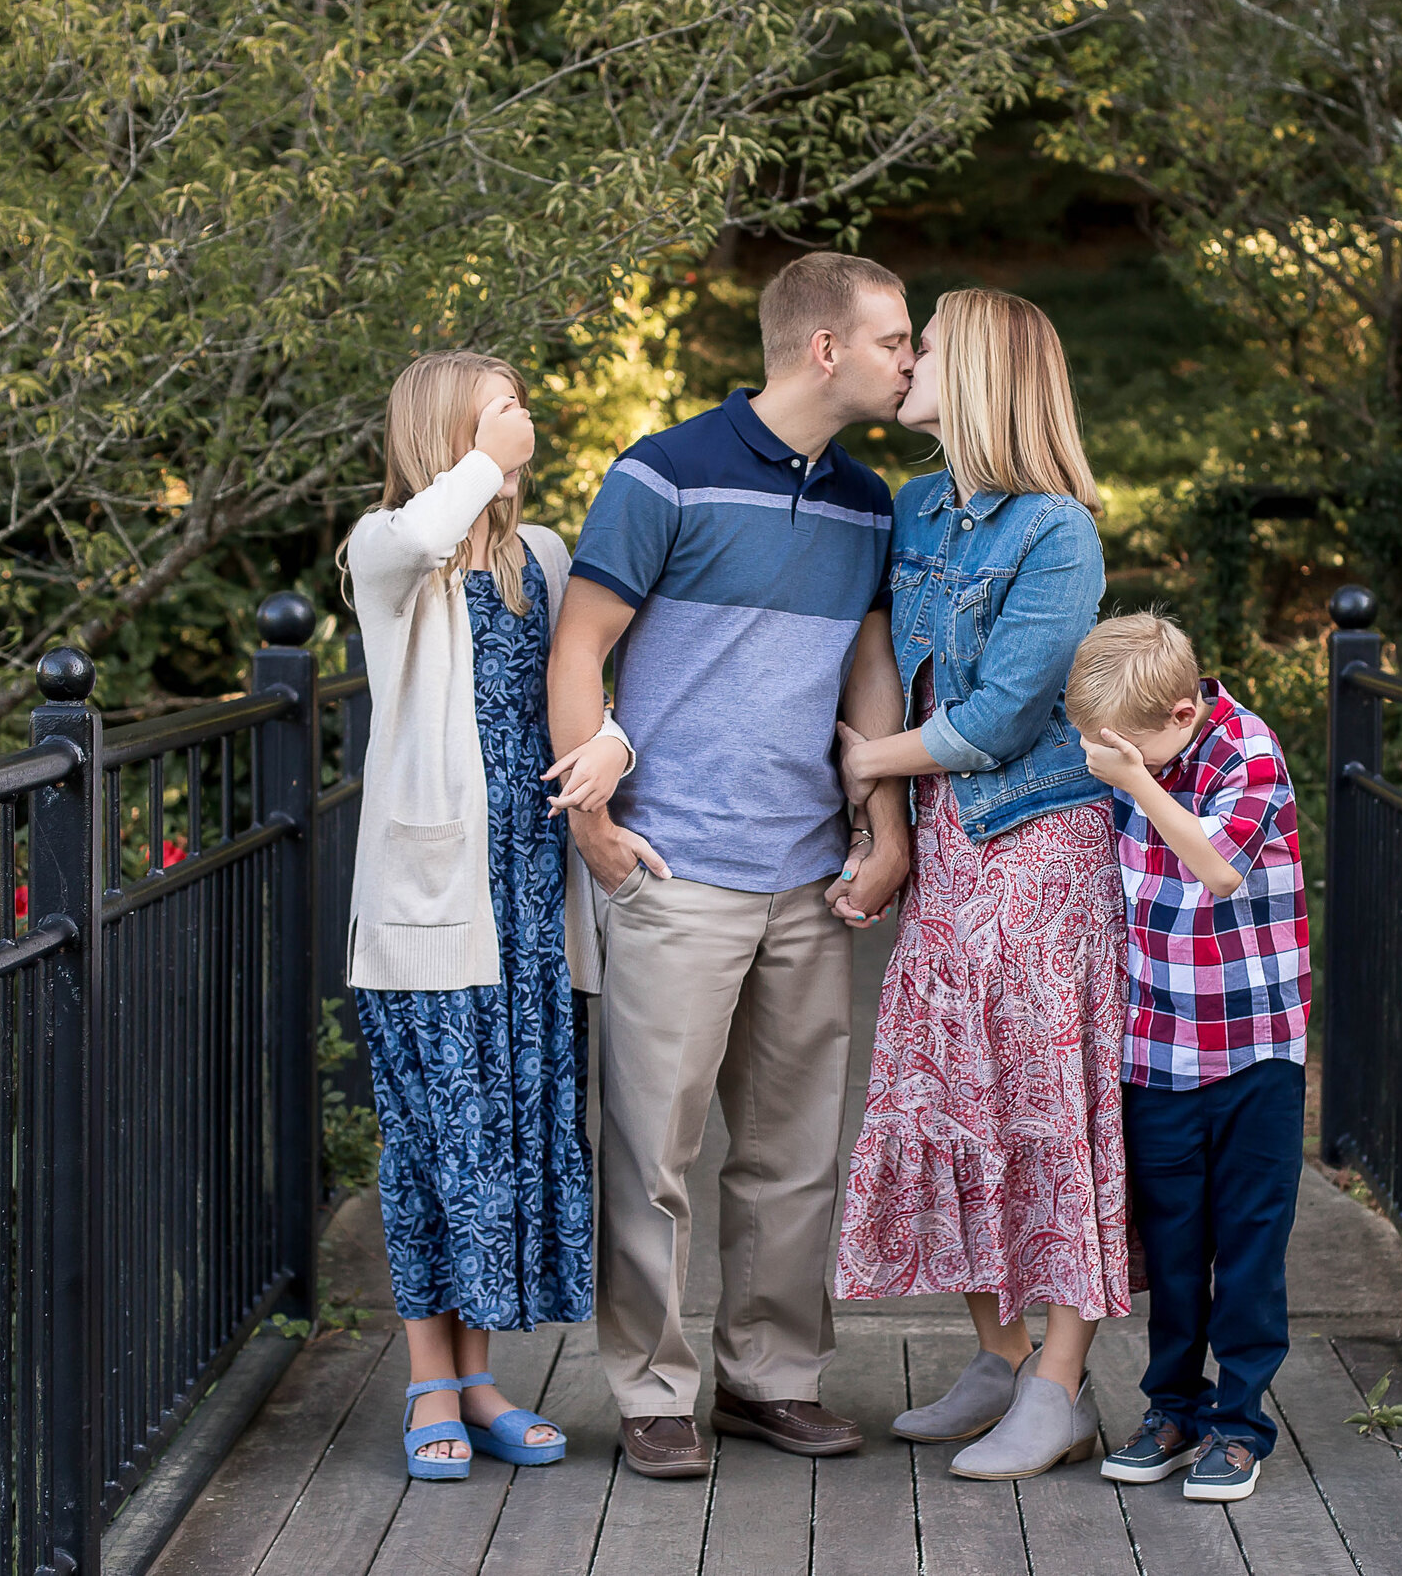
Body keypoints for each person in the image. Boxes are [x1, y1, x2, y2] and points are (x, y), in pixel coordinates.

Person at [545, 252, 915, 1479]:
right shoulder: (662, 473)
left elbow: (868, 672)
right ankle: (654, 1390)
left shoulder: (871, 500)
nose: (907, 358)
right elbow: (579, 645)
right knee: (653, 1151)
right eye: (892, 338)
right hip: (676, 865)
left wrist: (881, 823)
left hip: (807, 873)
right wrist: (591, 826)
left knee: (793, 1149)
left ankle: (770, 1379)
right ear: (825, 349)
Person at [831, 287, 1129, 1481]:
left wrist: (868, 761)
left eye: (928, 345)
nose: (907, 362)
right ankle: (1002, 1355)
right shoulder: (916, 510)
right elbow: (878, 656)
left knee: (1048, 1109)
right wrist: (888, 808)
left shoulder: (1058, 530)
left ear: (987, 374)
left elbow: (1003, 714)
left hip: (1041, 852)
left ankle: (1059, 1385)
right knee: (947, 1096)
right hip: (953, 856)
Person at [340, 350, 634, 1481]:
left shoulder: (546, 557)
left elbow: (597, 685)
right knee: (431, 1144)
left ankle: (476, 1379)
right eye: (503, 408)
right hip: (429, 906)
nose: (525, 422)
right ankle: (425, 1377)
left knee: (506, 1143)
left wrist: (612, 743)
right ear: (449, 435)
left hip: (529, 901)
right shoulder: (384, 553)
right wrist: (480, 462)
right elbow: (423, 535)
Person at [1067, 611, 1310, 1504]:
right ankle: (1174, 1406)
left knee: (1247, 1244)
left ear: (1181, 711)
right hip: (1159, 1048)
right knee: (1171, 1246)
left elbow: (1217, 868)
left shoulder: (1248, 751)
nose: (1114, 760)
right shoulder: (1131, 752)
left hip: (1255, 1051)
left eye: (1130, 747)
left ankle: (1240, 1424)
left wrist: (1139, 781)